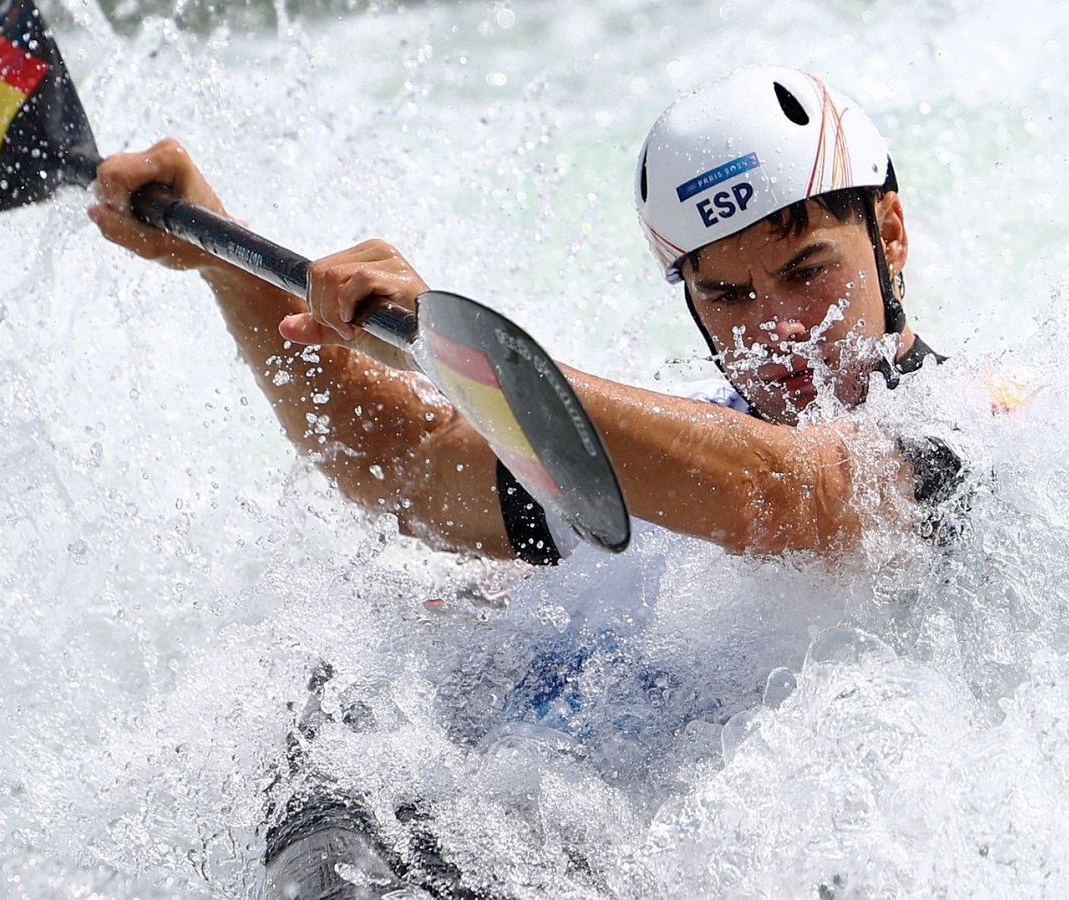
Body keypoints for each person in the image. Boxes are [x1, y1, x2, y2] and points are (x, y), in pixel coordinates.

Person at [90, 65, 969, 898]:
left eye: (806, 271)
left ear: (888, 232)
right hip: (546, 828)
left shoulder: (971, 426)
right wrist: (221, 256)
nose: (775, 327)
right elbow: (404, 465)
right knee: (338, 734)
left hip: (767, 859)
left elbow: (786, 496)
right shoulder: (671, 439)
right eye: (729, 297)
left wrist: (456, 353)